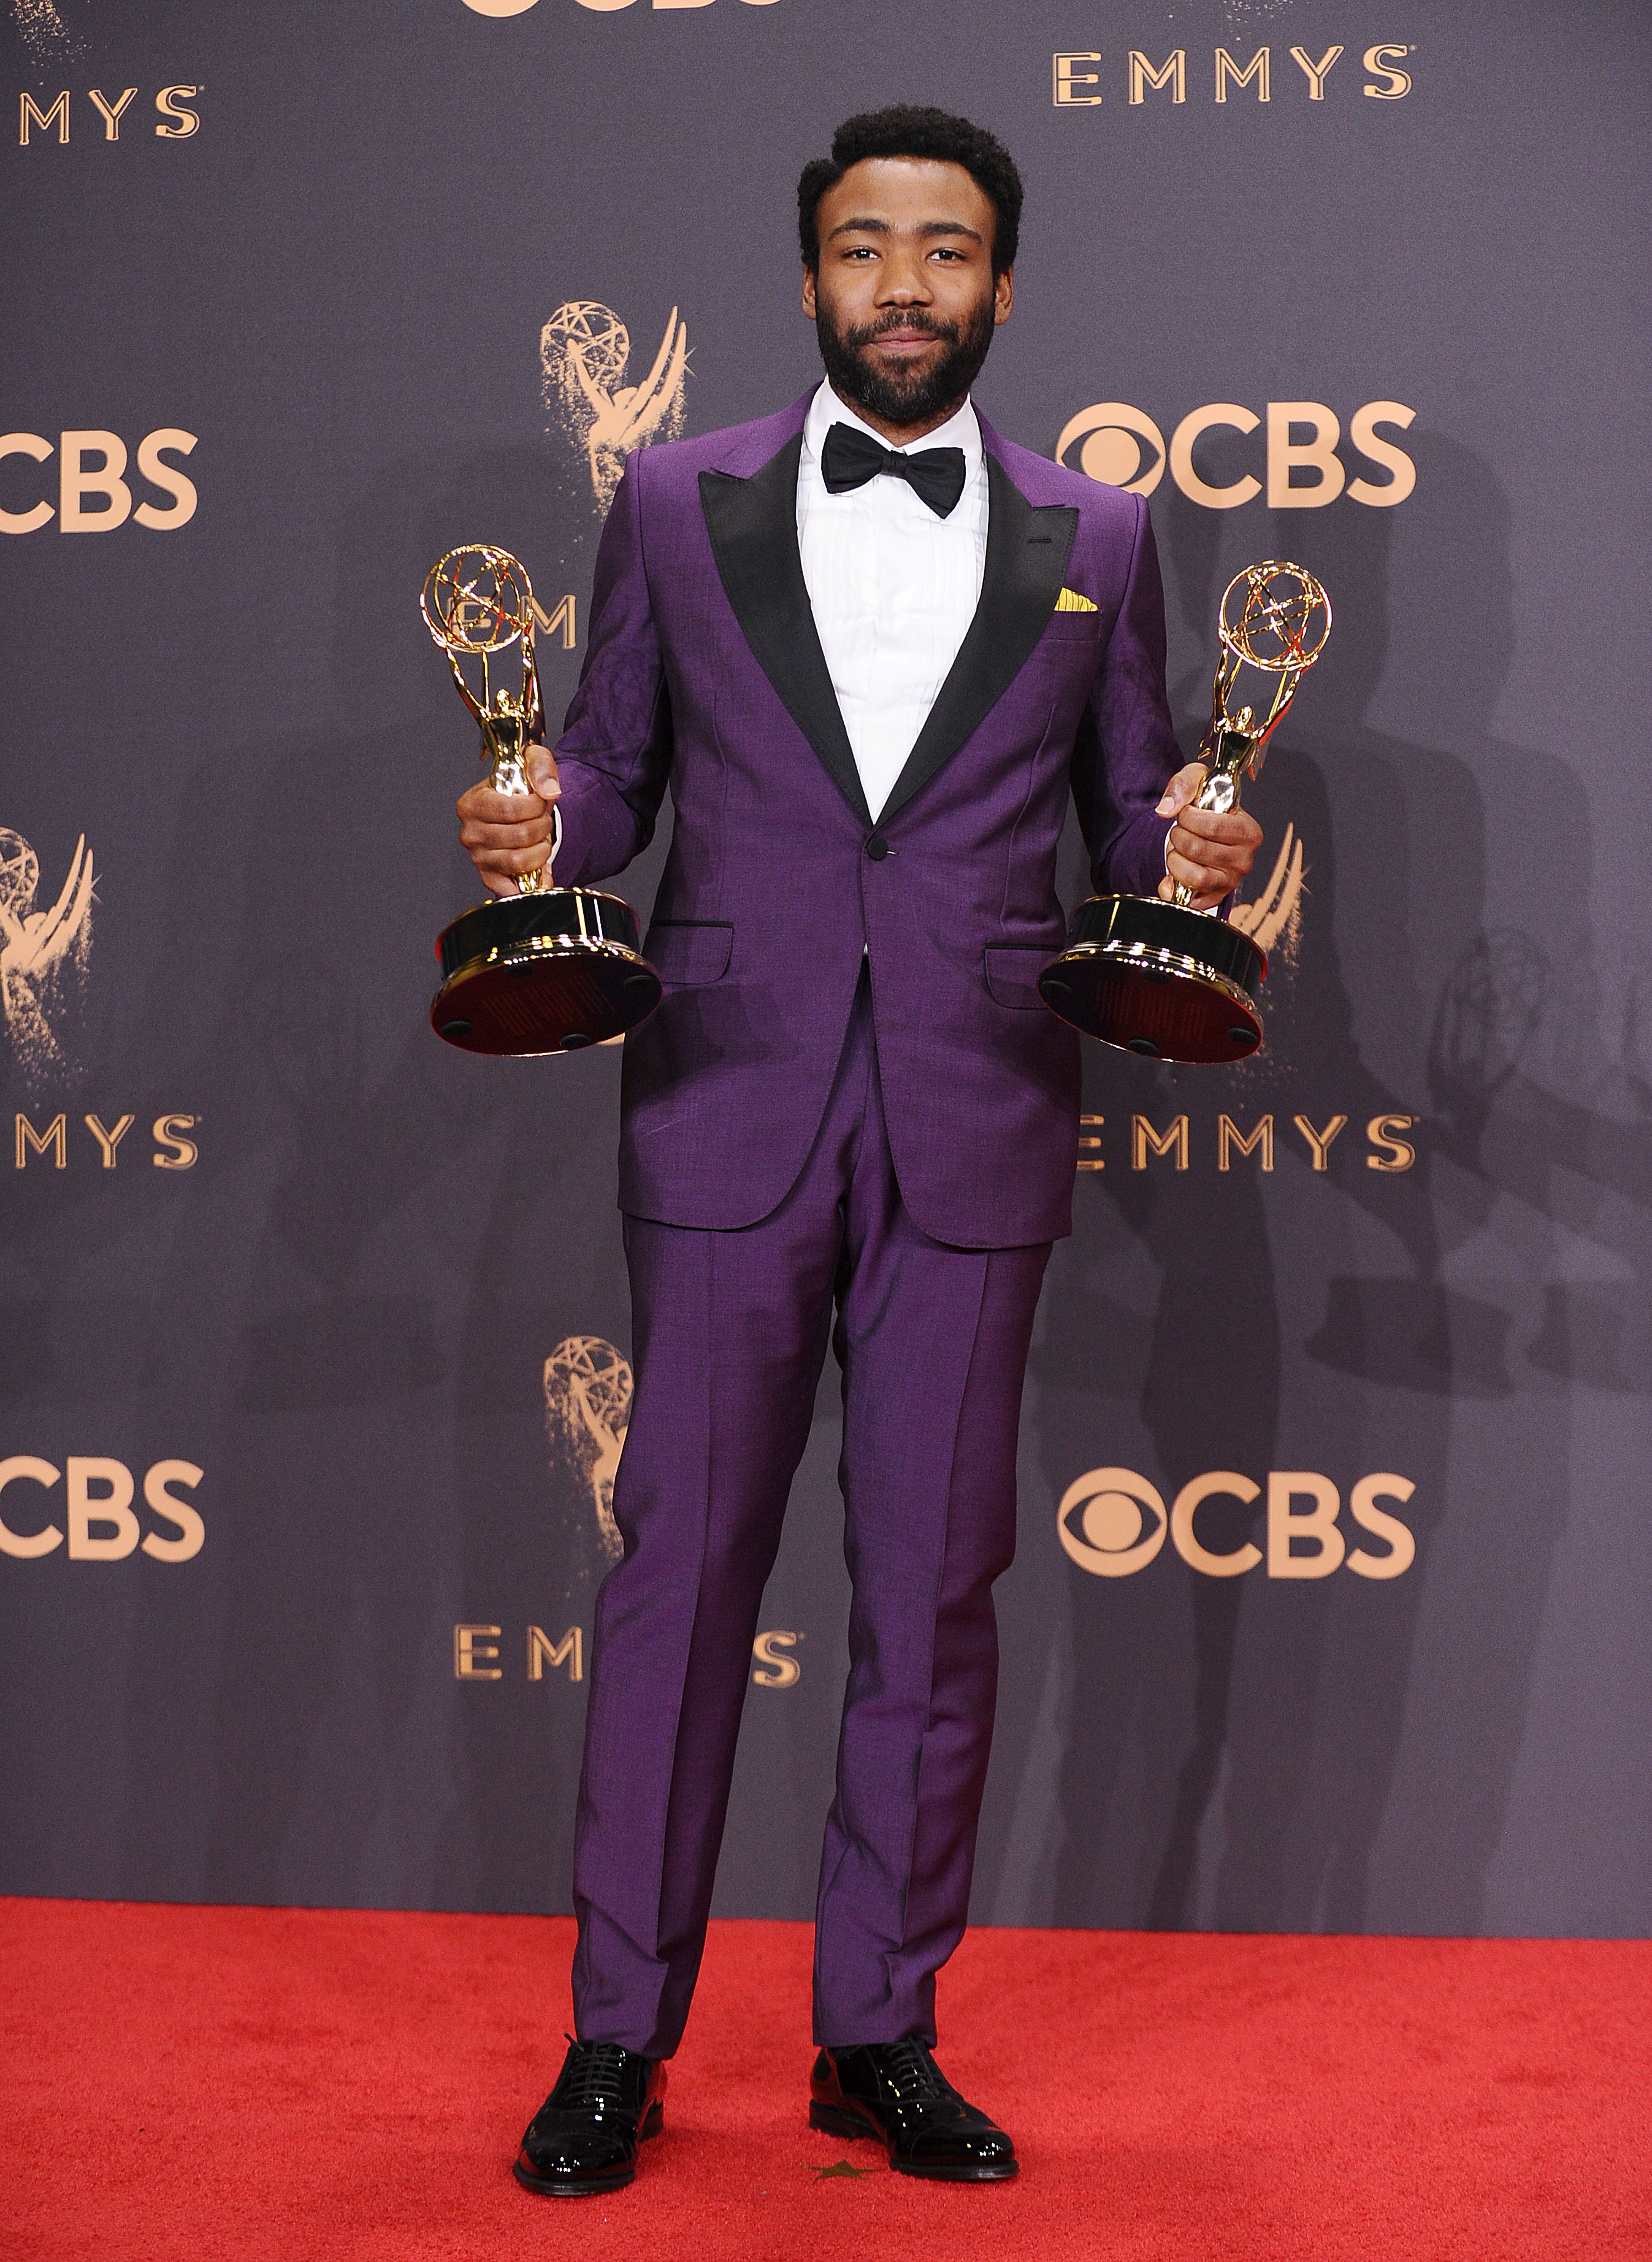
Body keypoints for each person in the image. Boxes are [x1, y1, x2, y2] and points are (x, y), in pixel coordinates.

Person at [456, 105, 1262, 2196]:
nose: (906, 285)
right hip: (727, 1086)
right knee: (680, 1586)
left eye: (948, 250)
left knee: (933, 1595)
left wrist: (1206, 839)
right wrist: (538, 824)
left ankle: (876, 2033)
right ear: (811, 272)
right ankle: (619, 2041)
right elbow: (612, 772)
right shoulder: (668, 499)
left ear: (1006, 281)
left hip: (982, 1107)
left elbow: (1132, 809)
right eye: (866, 248)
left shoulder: (1102, 534)